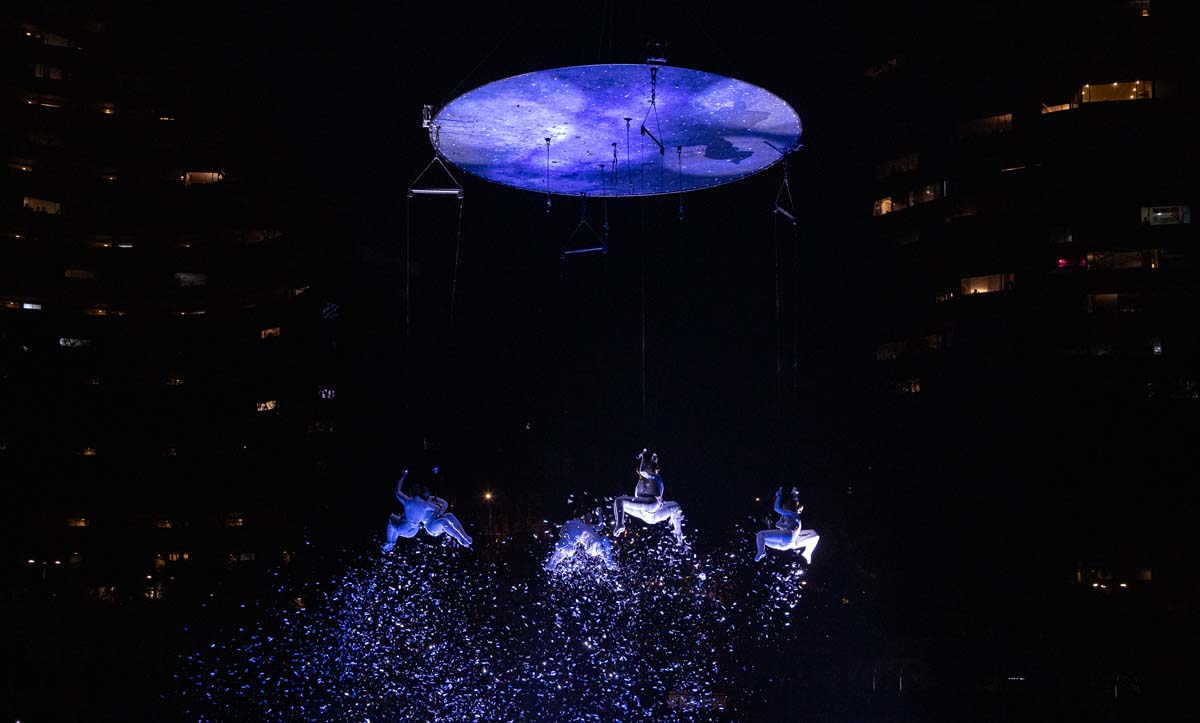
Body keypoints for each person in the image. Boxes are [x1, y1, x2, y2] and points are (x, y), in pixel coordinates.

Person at [382, 469, 473, 551]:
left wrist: (440, 512)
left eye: (427, 491)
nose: (427, 493)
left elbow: (444, 504)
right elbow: (399, 493)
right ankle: (459, 538)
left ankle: (464, 535)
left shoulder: (429, 500)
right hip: (431, 526)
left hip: (433, 521)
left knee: (449, 515)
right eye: (424, 491)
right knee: (443, 520)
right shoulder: (423, 503)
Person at [612, 449, 684, 544]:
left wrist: (644, 456)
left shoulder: (656, 478)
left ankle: (620, 524)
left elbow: (645, 471)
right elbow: (644, 472)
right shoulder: (643, 481)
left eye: (650, 467)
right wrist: (649, 460)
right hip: (644, 512)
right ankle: (619, 523)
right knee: (618, 503)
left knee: (620, 501)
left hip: (651, 506)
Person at [754, 486, 819, 563]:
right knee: (760, 537)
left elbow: (776, 508)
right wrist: (794, 494)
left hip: (788, 538)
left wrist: (779, 495)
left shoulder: (793, 514)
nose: (783, 508)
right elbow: (778, 524)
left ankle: (761, 551)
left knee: (761, 534)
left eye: (784, 506)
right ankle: (761, 550)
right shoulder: (785, 517)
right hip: (786, 545)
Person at [544, 509, 616, 571]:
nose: (589, 519)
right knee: (562, 546)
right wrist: (567, 536)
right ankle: (553, 562)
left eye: (590, 517)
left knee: (602, 540)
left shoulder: (590, 527)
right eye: (587, 517)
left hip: (595, 546)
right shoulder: (581, 526)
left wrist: (600, 514)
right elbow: (562, 534)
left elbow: (600, 527)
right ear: (583, 518)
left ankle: (609, 561)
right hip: (585, 546)